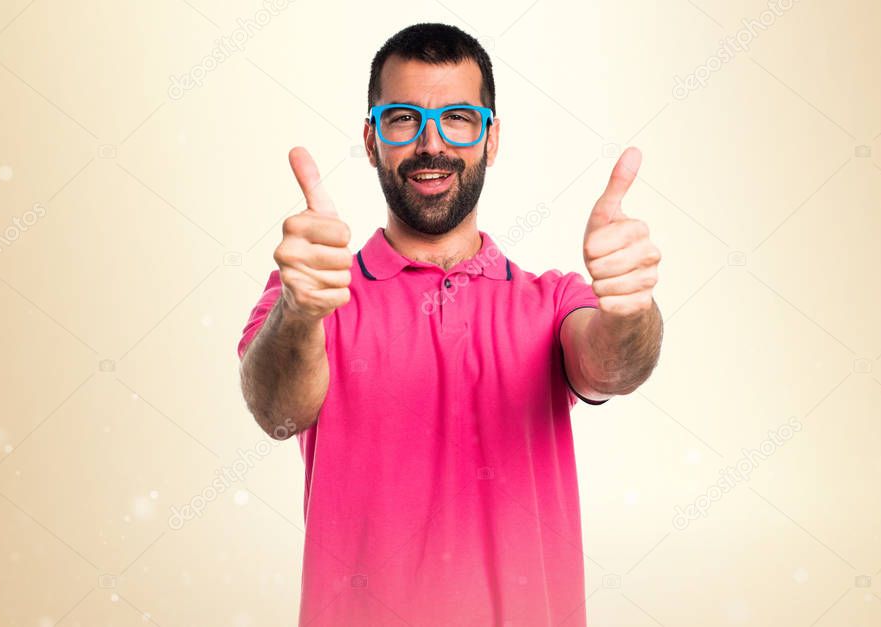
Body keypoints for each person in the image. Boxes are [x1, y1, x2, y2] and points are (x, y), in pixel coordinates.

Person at [237, 22, 663, 627]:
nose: (430, 143)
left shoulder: (553, 300)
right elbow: (277, 410)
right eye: (403, 118)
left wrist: (630, 309)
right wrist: (301, 314)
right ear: (370, 138)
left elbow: (610, 366)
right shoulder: (309, 294)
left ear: (490, 140)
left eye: (459, 117)